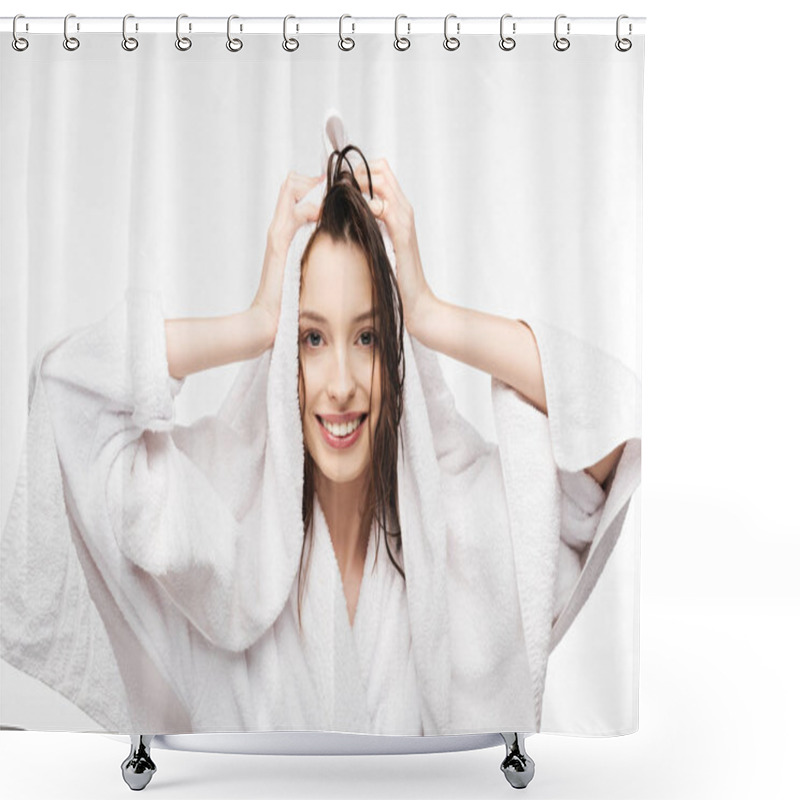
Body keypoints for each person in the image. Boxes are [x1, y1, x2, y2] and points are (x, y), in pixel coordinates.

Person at [0, 134, 640, 736]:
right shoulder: (219, 517)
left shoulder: (461, 534)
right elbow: (66, 389)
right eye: (310, 337)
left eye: (366, 337)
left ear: (396, 355)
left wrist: (426, 312)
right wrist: (254, 322)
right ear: (282, 359)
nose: (339, 384)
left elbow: (610, 421)